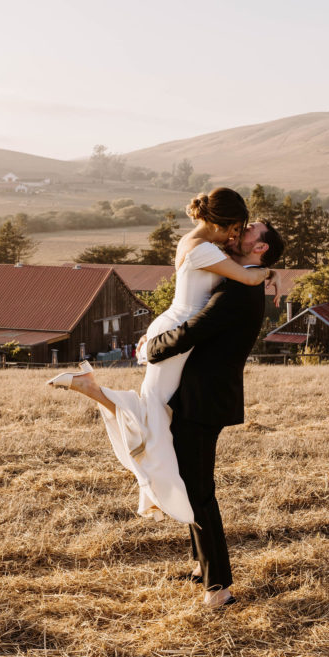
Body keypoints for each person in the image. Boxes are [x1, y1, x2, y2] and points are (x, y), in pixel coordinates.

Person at [46, 188, 277, 527]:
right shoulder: (205, 250)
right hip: (178, 332)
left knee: (160, 413)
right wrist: (270, 273)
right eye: (237, 227)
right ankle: (94, 393)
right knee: (155, 412)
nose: (236, 234)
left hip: (176, 327)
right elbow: (247, 276)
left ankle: (159, 487)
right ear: (224, 223)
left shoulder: (198, 244)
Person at [144, 218, 284, 608]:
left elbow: (194, 330)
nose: (240, 234)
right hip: (205, 395)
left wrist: (150, 349)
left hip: (203, 399)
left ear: (261, 248)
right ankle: (199, 567)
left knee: (199, 491)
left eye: (250, 231)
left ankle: (218, 588)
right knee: (194, 483)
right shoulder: (245, 278)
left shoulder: (240, 291)